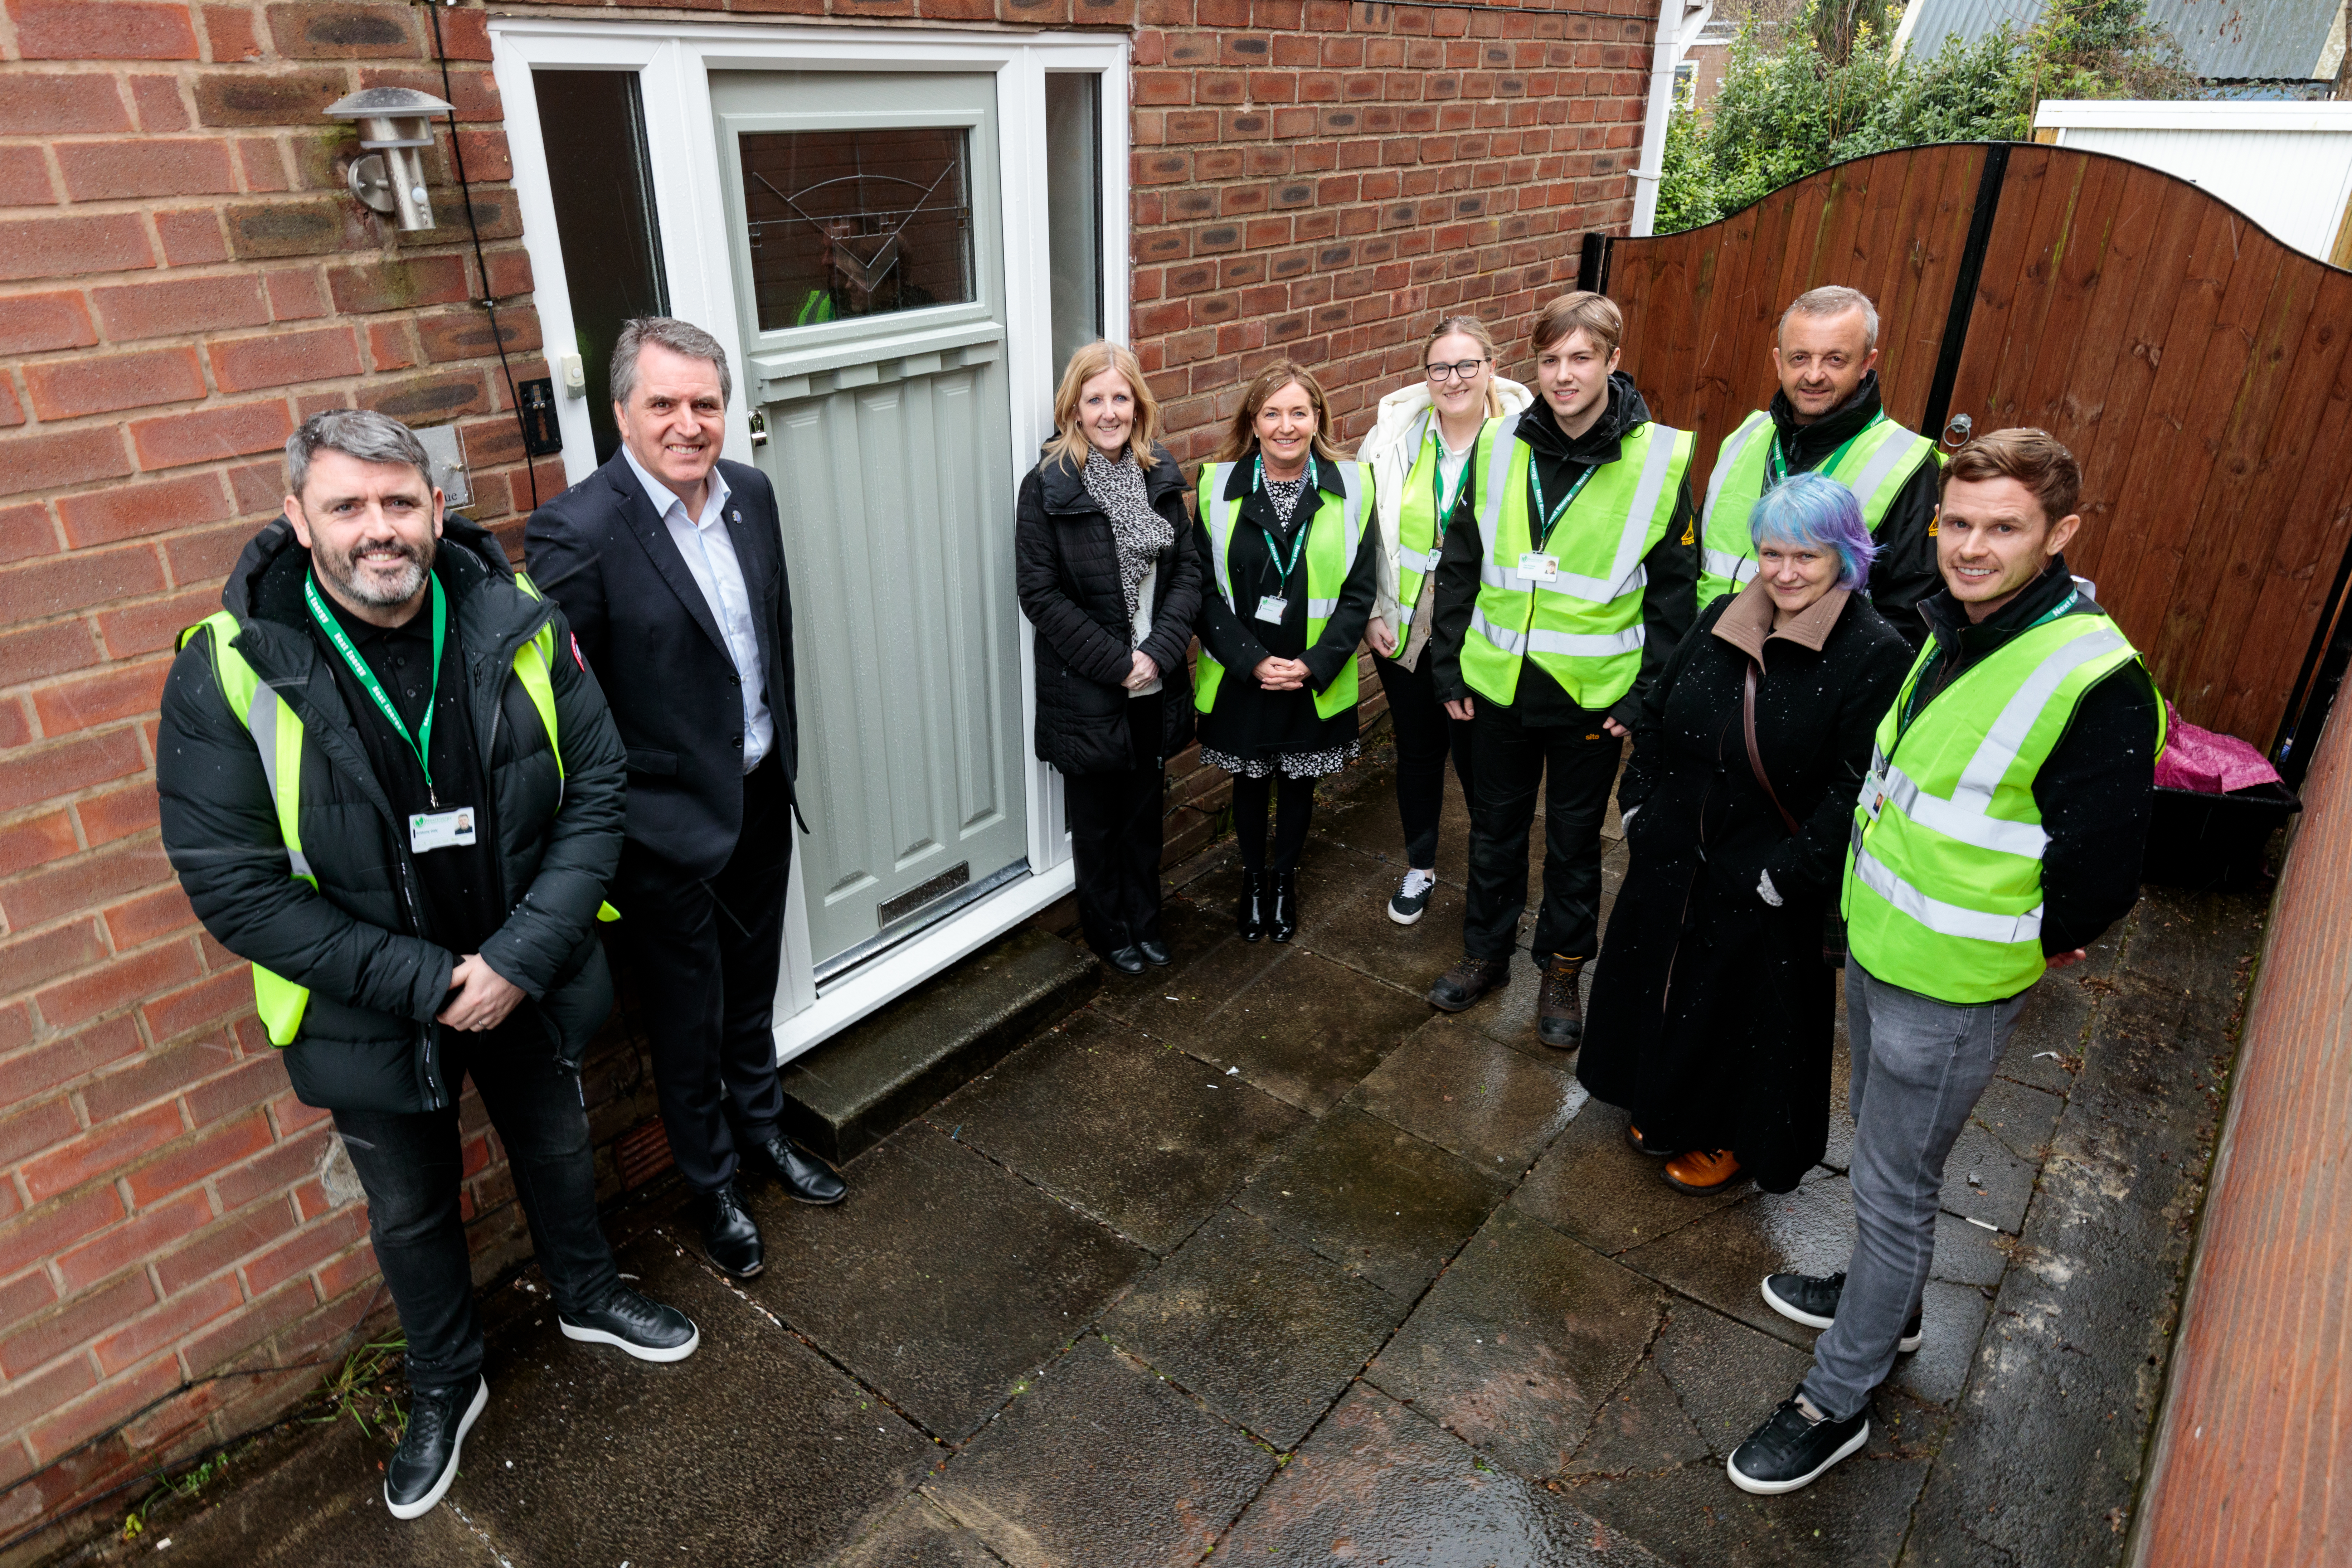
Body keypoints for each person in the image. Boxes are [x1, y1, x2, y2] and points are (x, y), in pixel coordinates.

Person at [159, 410, 699, 1521]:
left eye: (400, 501)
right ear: (297, 516)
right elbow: (237, 885)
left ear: (437, 508)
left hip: (529, 971)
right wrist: (436, 983)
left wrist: (514, 959)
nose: (379, 529)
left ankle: (588, 1292)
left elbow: (598, 791)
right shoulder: (228, 666)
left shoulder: (522, 620)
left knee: (557, 1144)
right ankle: (448, 1377)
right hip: (367, 1009)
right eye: (348, 505)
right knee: (407, 1209)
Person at [1727, 429, 2163, 1495]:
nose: (1971, 546)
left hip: (1951, 982)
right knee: (1881, 1156)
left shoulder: (2092, 674)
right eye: (1957, 523)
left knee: (1891, 1185)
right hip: (1882, 945)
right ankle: (1896, 1302)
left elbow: (2102, 880)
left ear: (2059, 533)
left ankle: (1836, 1395)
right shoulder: (1959, 623)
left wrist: (2010, 950)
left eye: (2002, 527)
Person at [526, 316, 844, 1288]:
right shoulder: (576, 530)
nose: (688, 422)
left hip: (755, 795)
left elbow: (767, 644)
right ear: (622, 410)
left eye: (705, 402)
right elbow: (562, 715)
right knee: (686, 1019)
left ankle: (763, 1133)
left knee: (751, 994)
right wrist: (620, 831)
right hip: (661, 836)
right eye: (663, 402)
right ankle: (710, 1186)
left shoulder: (751, 494)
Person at [1578, 474, 1910, 1195]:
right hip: (1675, 849)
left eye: (1807, 558)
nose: (1785, 573)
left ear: (1845, 557)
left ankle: (1726, 1137)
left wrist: (1789, 870)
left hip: (1762, 870)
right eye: (1771, 553)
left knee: (1738, 1016)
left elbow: (1859, 783)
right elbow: (1659, 711)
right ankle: (1658, 1102)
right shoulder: (1725, 613)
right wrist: (1638, 805)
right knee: (1662, 981)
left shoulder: (1873, 651)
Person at [1424, 292, 1699, 1047]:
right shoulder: (1498, 441)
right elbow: (1461, 562)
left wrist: (1647, 697)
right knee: (1493, 831)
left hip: (1591, 696)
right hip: (1494, 685)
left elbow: (1676, 595)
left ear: (1612, 361)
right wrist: (1447, 667)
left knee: (1576, 843)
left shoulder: (1658, 459)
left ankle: (1563, 968)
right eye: (1550, 360)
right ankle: (1485, 952)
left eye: (1581, 358)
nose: (1564, 375)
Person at [1015, 341, 1204, 974]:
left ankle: (1146, 921)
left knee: (1143, 815)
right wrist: (1119, 663)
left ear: (1137, 405)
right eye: (1094, 399)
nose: (1108, 412)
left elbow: (1187, 575)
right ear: (1073, 407)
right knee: (1096, 825)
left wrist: (1157, 652)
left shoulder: (1159, 474)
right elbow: (1039, 595)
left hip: (1155, 675)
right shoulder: (1047, 486)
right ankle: (1107, 929)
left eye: (1119, 398)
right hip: (1089, 687)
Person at [1193, 359, 1380, 942]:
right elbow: (1199, 591)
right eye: (1272, 413)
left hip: (1310, 676)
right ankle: (1253, 880)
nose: (1285, 426)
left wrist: (1313, 665)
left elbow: (1358, 591)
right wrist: (1251, 661)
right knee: (1250, 783)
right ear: (1253, 422)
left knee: (1299, 782)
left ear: (1316, 418)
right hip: (1241, 675)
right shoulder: (1214, 488)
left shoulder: (1352, 486)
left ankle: (1283, 879)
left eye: (1298, 412)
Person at [1356, 316, 1534, 924]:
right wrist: (1372, 616)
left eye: (1466, 365)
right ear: (1425, 375)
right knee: (1418, 753)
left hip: (1483, 637)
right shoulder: (1392, 440)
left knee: (1482, 762)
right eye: (1439, 367)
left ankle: (1493, 885)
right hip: (1403, 633)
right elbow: (1366, 538)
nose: (1452, 378)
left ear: (1491, 366)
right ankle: (1420, 866)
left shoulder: (1524, 442)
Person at [1695, 285, 1942, 645]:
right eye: (1799, 359)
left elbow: (1906, 617)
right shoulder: (1746, 435)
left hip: (1811, 682)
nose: (1813, 375)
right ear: (1778, 361)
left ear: (1865, 364)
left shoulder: (1907, 466)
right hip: (1711, 660)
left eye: (1834, 360)